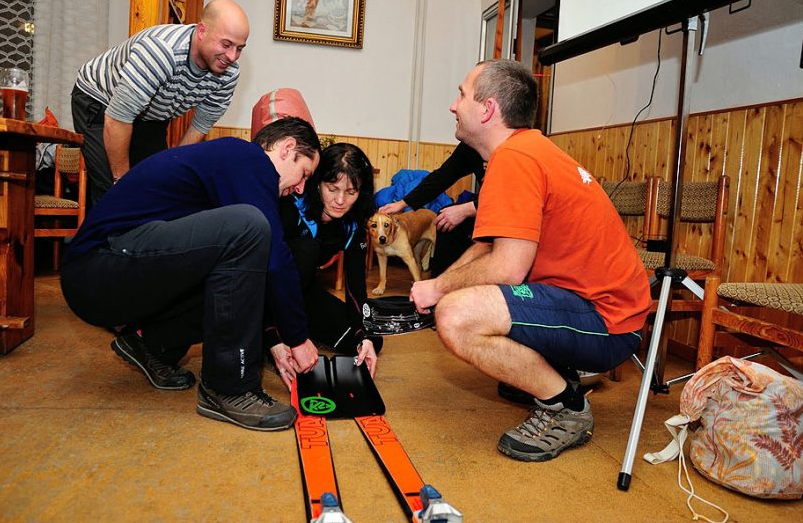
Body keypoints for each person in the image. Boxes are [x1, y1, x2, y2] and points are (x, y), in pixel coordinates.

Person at [410, 60, 651, 462]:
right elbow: (488, 248)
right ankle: (554, 373)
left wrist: (439, 290)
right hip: (591, 306)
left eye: (462, 95)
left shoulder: (515, 160)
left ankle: (566, 409)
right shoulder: (524, 151)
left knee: (456, 315)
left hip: (608, 323)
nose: (454, 105)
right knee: (460, 299)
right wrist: (438, 286)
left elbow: (506, 269)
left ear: (487, 110)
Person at [60, 117, 321, 432]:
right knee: (250, 227)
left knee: (236, 262)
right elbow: (276, 260)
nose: (301, 187)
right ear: (286, 148)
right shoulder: (247, 158)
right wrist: (297, 337)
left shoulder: (230, 169)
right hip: (97, 269)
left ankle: (152, 345)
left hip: (105, 274)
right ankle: (229, 387)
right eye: (304, 172)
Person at [71, 0, 250, 204]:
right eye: (226, 44)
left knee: (155, 185)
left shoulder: (228, 73)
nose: (232, 56)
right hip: (100, 99)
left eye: (239, 48)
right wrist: (122, 182)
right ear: (202, 31)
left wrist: (173, 172)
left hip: (151, 113)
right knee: (113, 194)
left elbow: (199, 128)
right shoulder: (162, 52)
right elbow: (117, 118)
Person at [268, 142, 382, 390]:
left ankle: (295, 332)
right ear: (317, 183)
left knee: (370, 338)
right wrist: (273, 336)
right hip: (262, 295)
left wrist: (363, 337)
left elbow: (355, 289)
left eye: (351, 192)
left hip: (301, 294)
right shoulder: (291, 206)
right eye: (332, 189)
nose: (340, 200)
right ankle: (271, 336)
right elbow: (262, 275)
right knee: (307, 251)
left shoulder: (352, 225)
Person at [379, 141, 484, 276]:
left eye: (458, 118)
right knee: (444, 217)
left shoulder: (511, 147)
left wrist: (468, 209)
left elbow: (511, 196)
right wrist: (403, 203)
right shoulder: (470, 146)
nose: (456, 120)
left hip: (508, 216)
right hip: (482, 205)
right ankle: (441, 285)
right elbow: (440, 178)